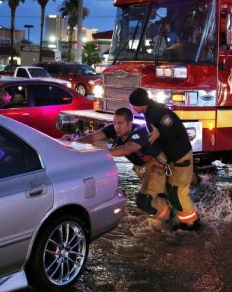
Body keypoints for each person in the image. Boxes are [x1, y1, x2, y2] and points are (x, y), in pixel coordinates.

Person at [77, 107, 172, 223]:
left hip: (157, 166)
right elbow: (92, 137)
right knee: (160, 195)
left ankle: (170, 221)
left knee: (145, 201)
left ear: (130, 123)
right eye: (115, 123)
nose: (117, 127)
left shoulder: (141, 131)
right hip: (144, 169)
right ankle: (169, 215)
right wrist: (72, 143)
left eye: (120, 123)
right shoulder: (113, 129)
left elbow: (128, 149)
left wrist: (103, 151)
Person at [129, 88, 201, 231]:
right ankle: (178, 217)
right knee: (170, 189)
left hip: (180, 157)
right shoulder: (150, 111)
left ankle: (192, 225)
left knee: (177, 192)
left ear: (139, 104)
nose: (132, 108)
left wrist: (159, 133)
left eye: (133, 105)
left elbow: (173, 127)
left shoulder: (159, 112)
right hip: (173, 158)